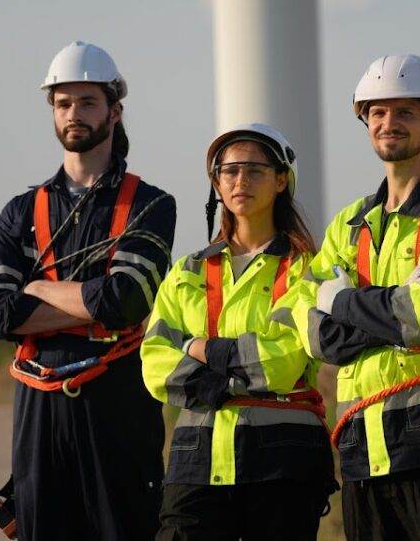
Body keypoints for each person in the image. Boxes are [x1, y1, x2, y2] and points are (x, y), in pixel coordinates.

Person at [289, 54, 420, 540]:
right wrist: (387, 309)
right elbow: (317, 338)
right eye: (377, 113)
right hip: (361, 442)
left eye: (405, 112)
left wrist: (342, 302)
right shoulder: (350, 222)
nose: (388, 123)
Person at [0, 41, 177, 540]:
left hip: (118, 405)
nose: (74, 113)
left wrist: (39, 290)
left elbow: (126, 301)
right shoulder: (18, 213)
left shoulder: (151, 205)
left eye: (87, 102)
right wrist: (91, 301)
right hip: (38, 412)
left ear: (115, 110)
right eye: (63, 103)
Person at [141, 123, 335, 541]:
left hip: (284, 455)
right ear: (217, 182)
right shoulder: (187, 270)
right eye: (228, 171)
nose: (240, 181)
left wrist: (194, 347)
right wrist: (230, 377)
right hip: (197, 457)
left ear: (281, 180)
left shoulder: (307, 268)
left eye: (254, 170)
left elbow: (283, 361)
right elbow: (155, 361)